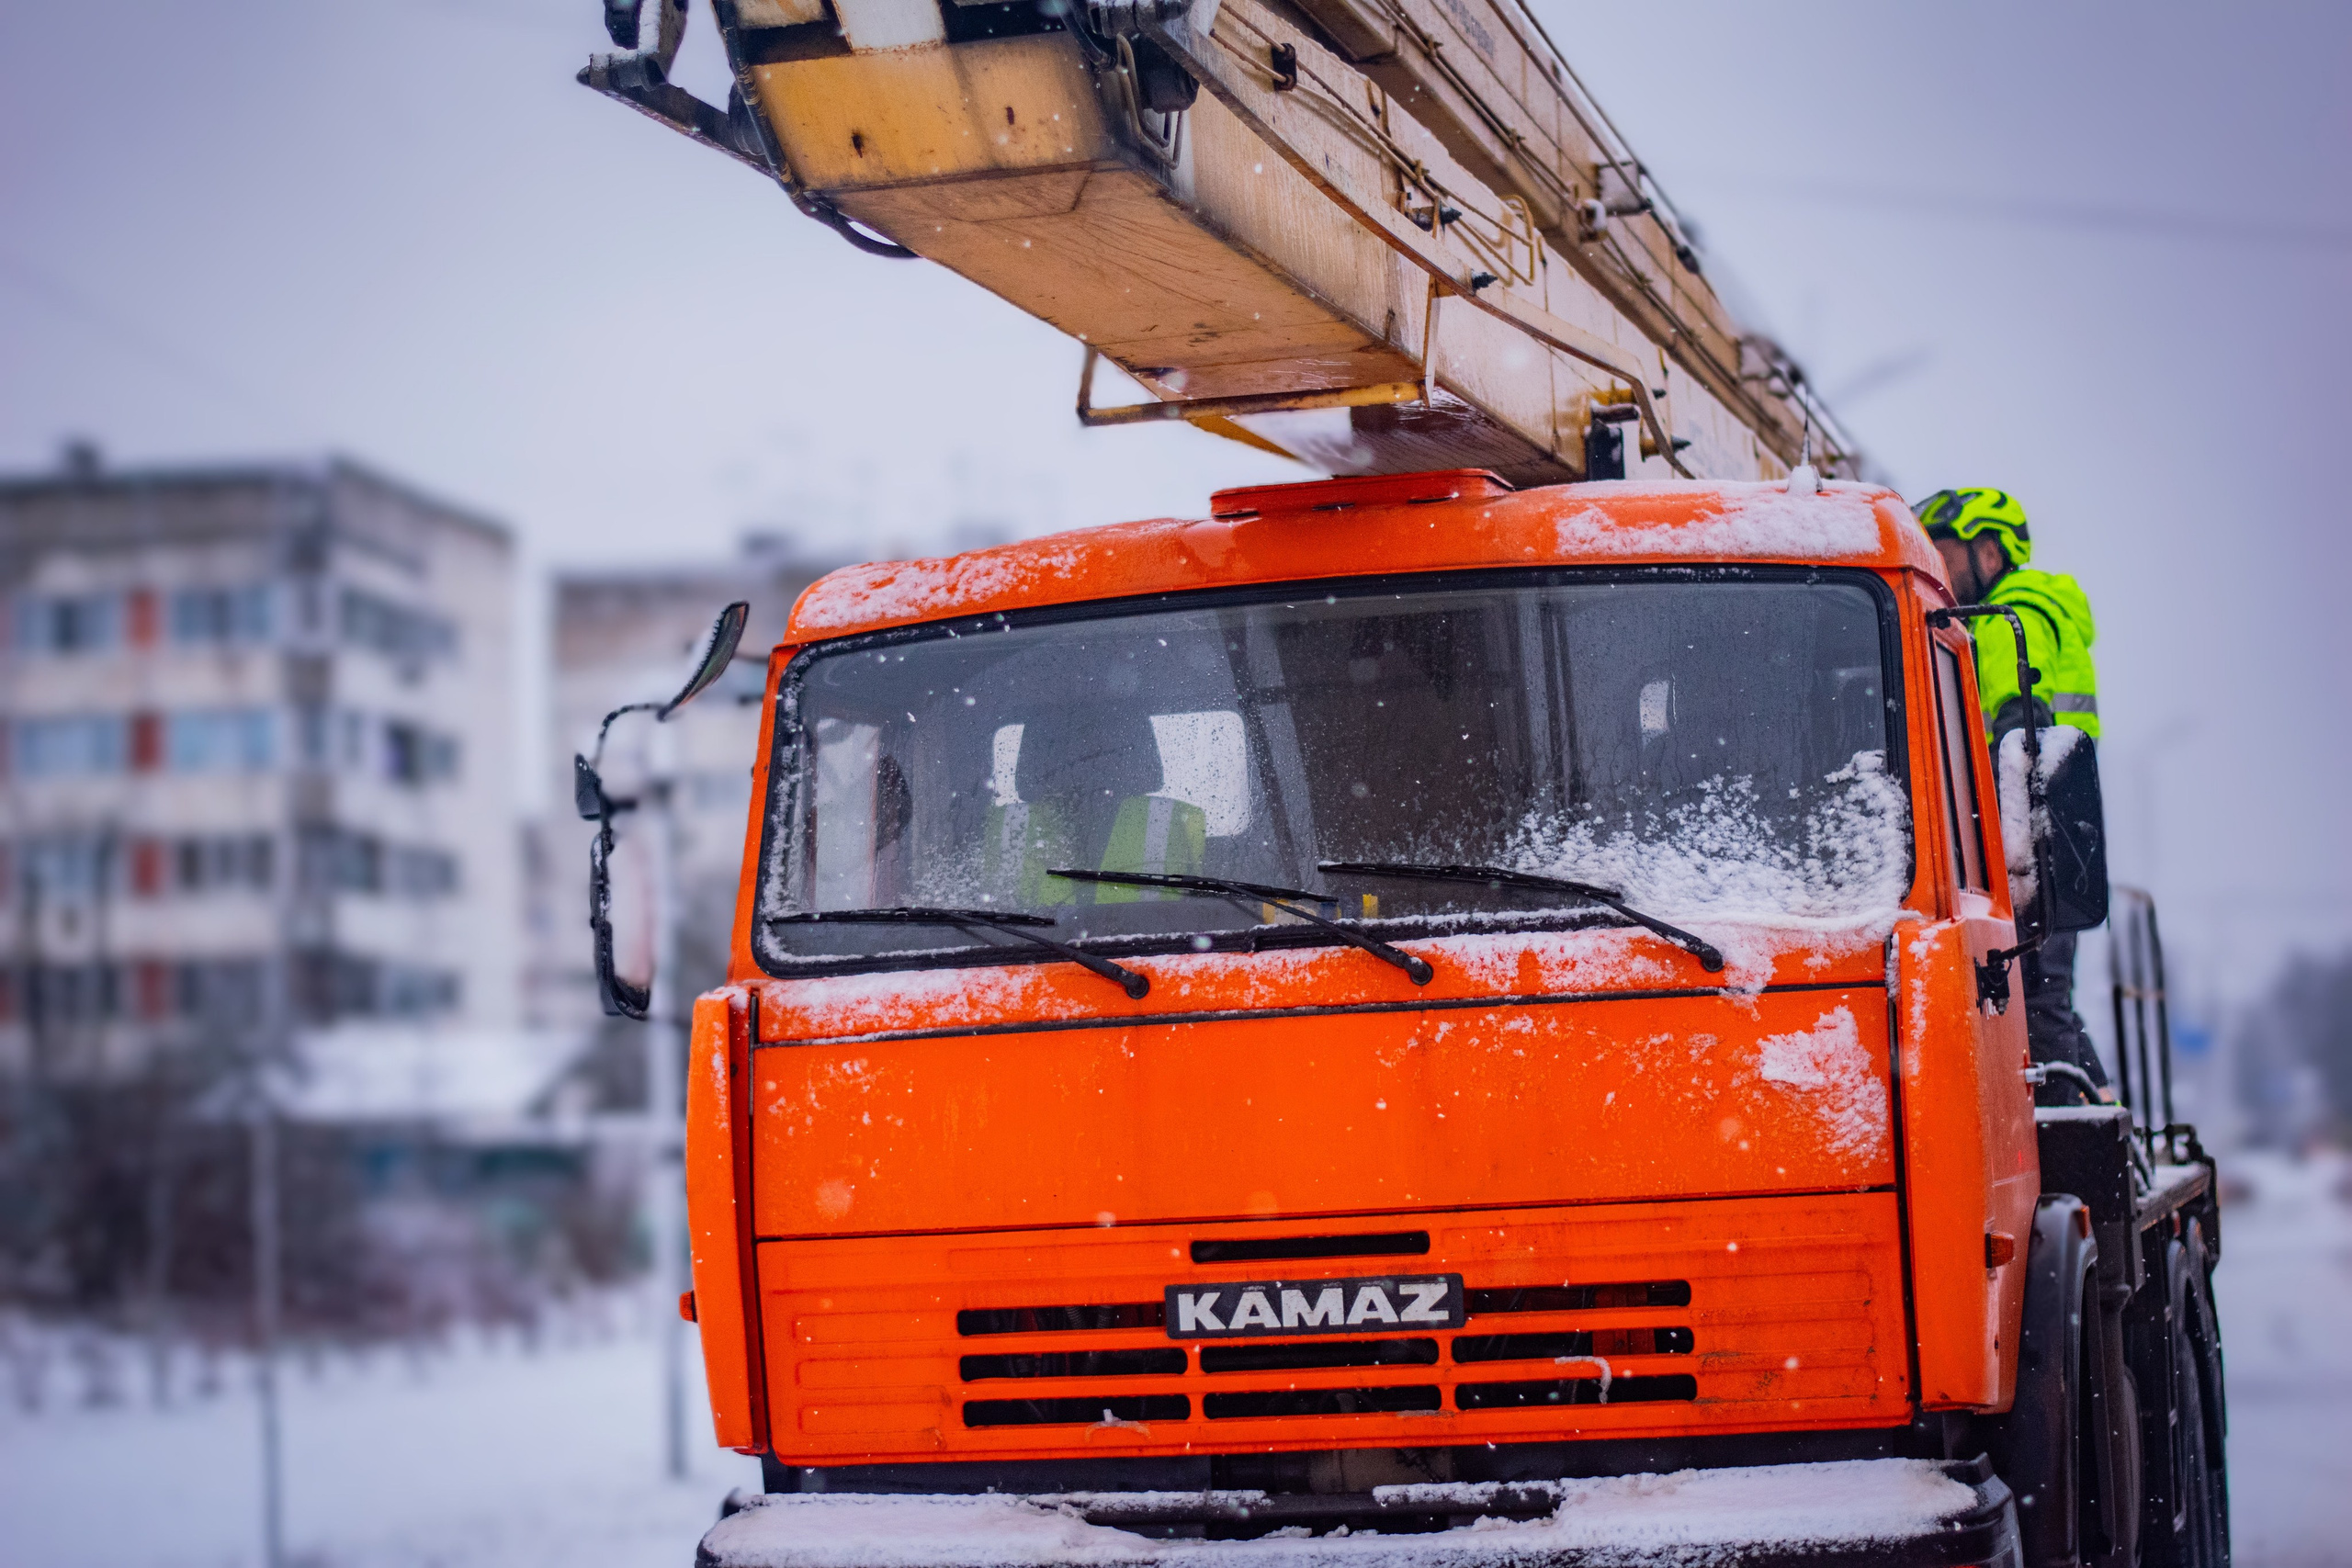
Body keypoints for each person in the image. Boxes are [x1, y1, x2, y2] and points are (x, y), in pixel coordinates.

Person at [1914, 488, 2105, 1103]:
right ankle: (2100, 1111)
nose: (1936, 567)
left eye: (1943, 553)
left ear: (1988, 553)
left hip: (2026, 848)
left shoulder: (2003, 623)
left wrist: (1998, 864)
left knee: (2032, 1011)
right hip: (2062, 842)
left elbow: (2014, 744)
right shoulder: (2050, 613)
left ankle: (2064, 1150)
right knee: (2048, 1003)